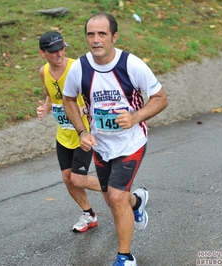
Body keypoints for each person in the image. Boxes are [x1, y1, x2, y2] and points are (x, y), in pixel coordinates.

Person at [63, 13, 168, 266]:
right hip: (101, 145)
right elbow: (68, 99)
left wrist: (135, 117)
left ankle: (125, 256)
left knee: (116, 196)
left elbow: (161, 98)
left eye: (102, 34)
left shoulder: (131, 65)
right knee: (111, 197)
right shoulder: (80, 67)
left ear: (114, 37)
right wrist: (82, 132)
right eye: (91, 34)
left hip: (131, 143)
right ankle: (138, 201)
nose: (96, 40)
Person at [36, 31, 102, 232]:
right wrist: (45, 108)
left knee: (78, 178)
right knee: (68, 178)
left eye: (62, 49)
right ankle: (89, 215)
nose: (59, 54)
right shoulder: (44, 72)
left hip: (85, 131)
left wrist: (82, 109)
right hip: (64, 134)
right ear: (43, 53)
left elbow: (98, 93)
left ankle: (119, 190)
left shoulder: (77, 67)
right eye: (54, 51)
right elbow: (51, 96)